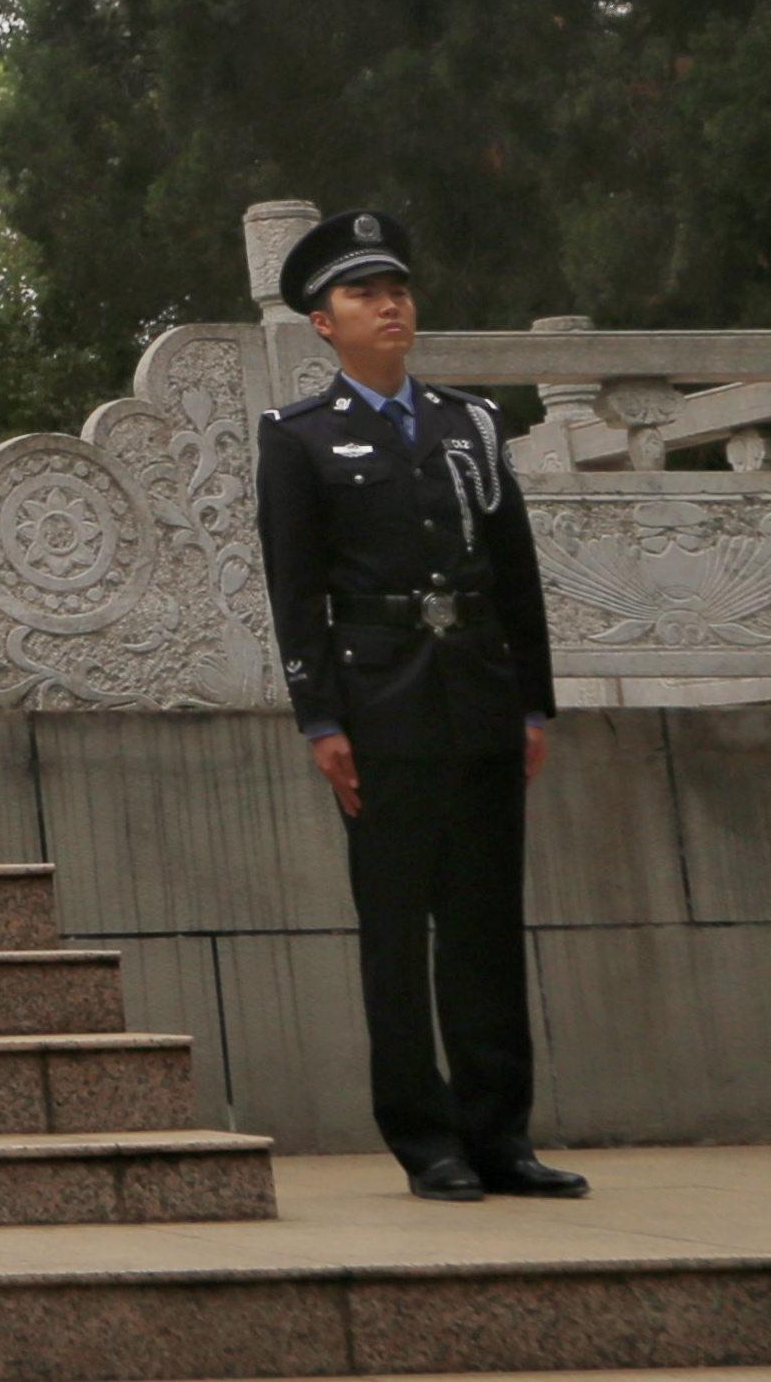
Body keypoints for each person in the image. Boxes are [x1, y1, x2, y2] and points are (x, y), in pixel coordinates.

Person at [252, 207, 584, 1202]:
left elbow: (513, 573)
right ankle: (423, 1139)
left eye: (394, 287)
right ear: (322, 323)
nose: (386, 304)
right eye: (360, 293)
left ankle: (500, 1139)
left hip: (477, 693)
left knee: (484, 922)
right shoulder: (298, 439)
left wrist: (533, 704)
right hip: (378, 701)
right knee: (397, 928)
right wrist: (319, 719)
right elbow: (292, 589)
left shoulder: (468, 424)